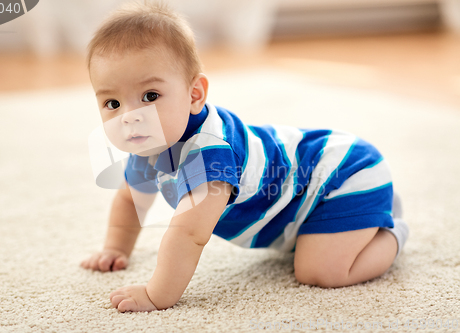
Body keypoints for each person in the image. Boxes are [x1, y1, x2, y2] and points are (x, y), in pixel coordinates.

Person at [80, 0, 409, 312]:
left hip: (341, 176)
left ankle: (390, 231)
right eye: (112, 104)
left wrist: (156, 294)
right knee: (310, 253)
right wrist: (115, 249)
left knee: (320, 272)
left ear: (194, 95)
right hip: (305, 195)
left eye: (150, 96)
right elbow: (129, 199)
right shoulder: (149, 139)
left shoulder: (210, 155)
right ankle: (365, 219)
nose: (130, 116)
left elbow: (188, 233)